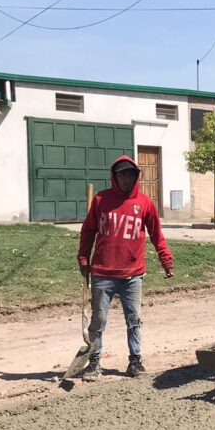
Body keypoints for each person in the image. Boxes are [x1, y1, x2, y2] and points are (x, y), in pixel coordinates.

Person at [77, 155, 174, 380]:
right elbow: (88, 230)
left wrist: (166, 260)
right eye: (122, 174)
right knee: (98, 321)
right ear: (115, 176)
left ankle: (135, 361)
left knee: (134, 320)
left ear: (136, 177)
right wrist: (83, 257)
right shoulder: (101, 200)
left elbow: (157, 235)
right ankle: (94, 363)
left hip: (133, 275)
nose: (126, 179)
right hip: (103, 273)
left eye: (131, 174)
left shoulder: (145, 203)